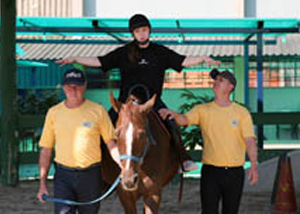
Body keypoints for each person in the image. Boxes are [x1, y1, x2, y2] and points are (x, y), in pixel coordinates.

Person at [56, 14, 221, 172]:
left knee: (170, 122)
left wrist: (202, 58)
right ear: (133, 34)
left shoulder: (160, 52)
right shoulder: (124, 52)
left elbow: (182, 61)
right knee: (104, 124)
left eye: (143, 30)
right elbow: (100, 61)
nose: (141, 34)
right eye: (137, 31)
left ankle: (183, 158)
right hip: (125, 103)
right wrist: (76, 59)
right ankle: (96, 163)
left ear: (149, 30)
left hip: (152, 102)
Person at [159, 68, 258, 214]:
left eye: (221, 80)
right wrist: (172, 114)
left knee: (231, 211)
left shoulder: (241, 112)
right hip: (210, 172)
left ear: (231, 87)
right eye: (215, 80)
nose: (216, 82)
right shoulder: (202, 110)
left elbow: (249, 141)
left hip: (235, 173)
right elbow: (184, 119)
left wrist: (254, 165)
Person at [36, 68, 121, 214]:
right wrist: (42, 184)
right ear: (63, 87)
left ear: (85, 86)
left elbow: (111, 144)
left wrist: (123, 166)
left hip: (91, 176)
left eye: (78, 86)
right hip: (63, 177)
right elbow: (46, 150)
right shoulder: (53, 113)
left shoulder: (98, 111)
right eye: (70, 86)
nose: (73, 90)